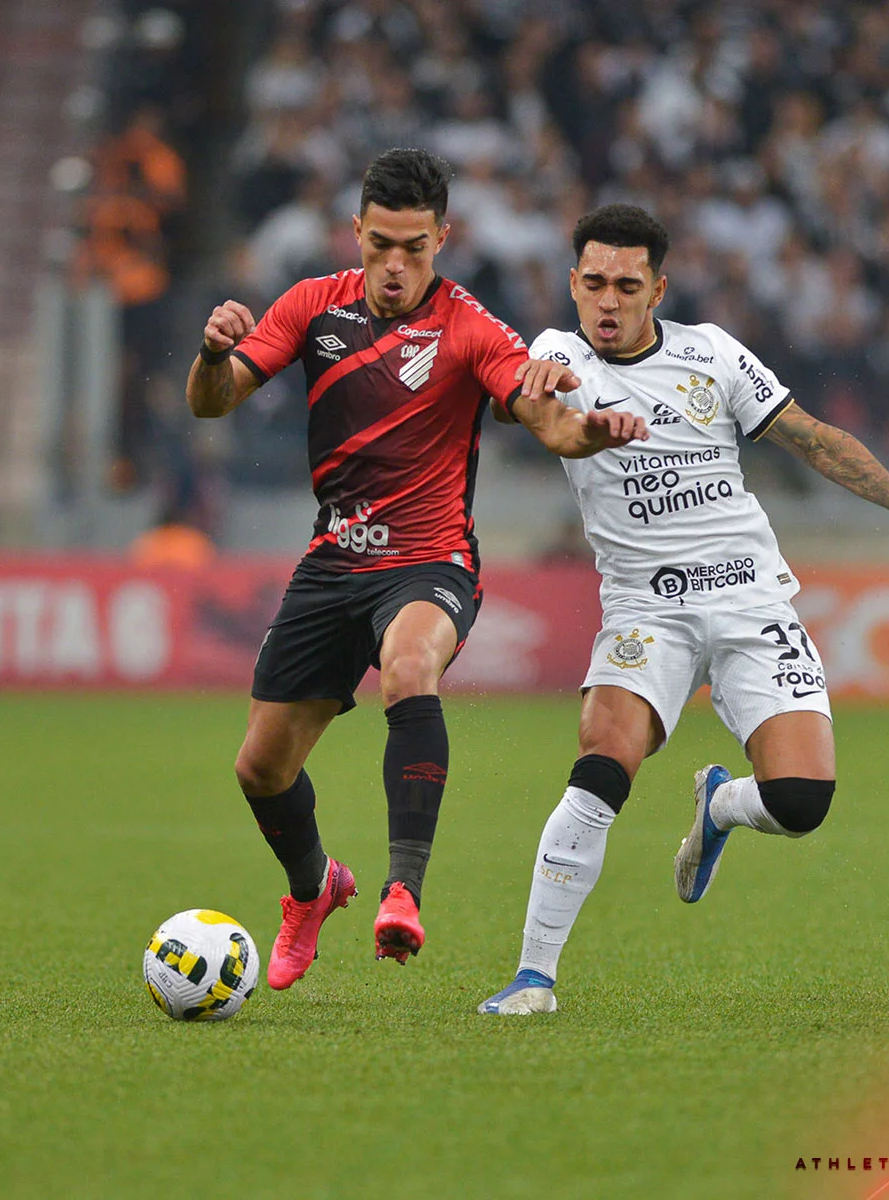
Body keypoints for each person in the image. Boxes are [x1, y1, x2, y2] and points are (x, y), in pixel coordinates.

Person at [478, 203, 889, 1015]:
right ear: (572, 284)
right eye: (592, 284)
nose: (606, 302)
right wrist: (588, 426)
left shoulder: (711, 352)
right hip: (645, 608)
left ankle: (720, 804)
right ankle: (534, 978)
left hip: (751, 596)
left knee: (801, 804)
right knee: (603, 760)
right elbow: (550, 424)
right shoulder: (555, 354)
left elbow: (813, 437)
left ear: (658, 288)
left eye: (625, 285)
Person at [185, 150, 646, 992]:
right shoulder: (309, 307)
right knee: (261, 768)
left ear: (444, 238)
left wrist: (593, 429)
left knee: (409, 667)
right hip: (332, 562)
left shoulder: (472, 327)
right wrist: (214, 356)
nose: (395, 267)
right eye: (381, 245)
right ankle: (314, 889)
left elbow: (548, 421)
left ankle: (403, 890)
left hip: (432, 561)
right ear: (356, 232)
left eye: (415, 249)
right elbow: (212, 402)